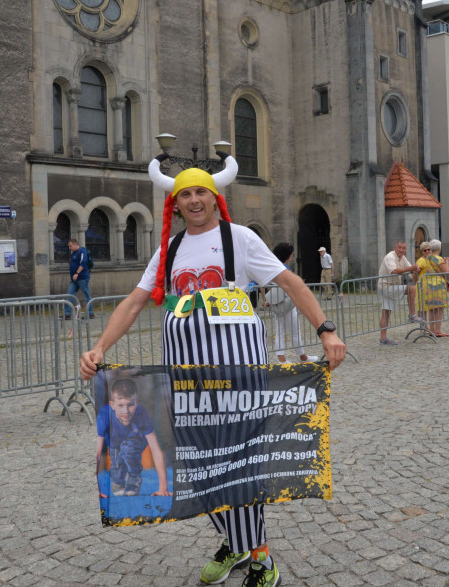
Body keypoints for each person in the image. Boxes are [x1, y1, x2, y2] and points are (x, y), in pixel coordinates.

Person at [80, 154, 345, 587]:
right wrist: (98, 347)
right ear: (176, 204)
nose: (194, 199)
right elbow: (132, 303)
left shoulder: (239, 239)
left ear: (215, 195)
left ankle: (260, 558)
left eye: (202, 190)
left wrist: (326, 330)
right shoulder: (170, 250)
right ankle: (234, 543)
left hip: (239, 372)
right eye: (186, 193)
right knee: (202, 463)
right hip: (186, 378)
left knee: (239, 463)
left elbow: (290, 283)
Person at [96, 378, 170, 498]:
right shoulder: (104, 416)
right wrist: (97, 491)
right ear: (112, 405)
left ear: (137, 403)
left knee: (128, 448)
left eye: (130, 405)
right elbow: (97, 453)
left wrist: (163, 488)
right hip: (114, 445)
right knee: (117, 471)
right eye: (120, 405)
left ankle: (134, 478)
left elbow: (156, 450)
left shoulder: (141, 414)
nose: (126, 411)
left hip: (135, 442)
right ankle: (118, 481)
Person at [265, 243, 317, 364]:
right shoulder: (284, 269)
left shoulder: (272, 267)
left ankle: (282, 358)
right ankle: (302, 356)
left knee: (280, 331)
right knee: (294, 331)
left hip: (276, 303)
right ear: (287, 256)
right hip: (287, 301)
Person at [378, 241, 421, 345]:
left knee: (386, 312)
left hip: (391, 286)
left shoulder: (402, 258)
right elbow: (394, 271)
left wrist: (416, 270)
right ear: (395, 247)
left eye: (404, 248)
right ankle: (412, 314)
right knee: (411, 289)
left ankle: (383, 338)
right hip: (385, 287)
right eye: (400, 247)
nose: (402, 250)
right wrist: (411, 269)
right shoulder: (390, 256)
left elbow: (410, 270)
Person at [416, 240, 449, 337]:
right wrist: (447, 262)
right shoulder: (439, 259)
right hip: (438, 285)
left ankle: (432, 330)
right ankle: (438, 330)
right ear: (439, 248)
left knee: (432, 309)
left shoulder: (427, 259)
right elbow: (446, 272)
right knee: (439, 309)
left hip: (429, 286)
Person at [64, 238, 94, 319]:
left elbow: (83, 262)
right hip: (74, 279)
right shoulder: (73, 253)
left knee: (86, 295)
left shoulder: (82, 251)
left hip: (82, 278)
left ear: (75, 244)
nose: (69, 248)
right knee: (69, 295)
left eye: (70, 246)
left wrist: (77, 273)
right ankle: (67, 314)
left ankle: (90, 313)